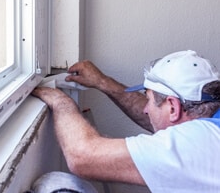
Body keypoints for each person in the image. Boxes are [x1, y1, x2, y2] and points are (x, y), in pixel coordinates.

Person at [32, 50, 220, 192]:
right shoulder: (210, 123)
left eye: (148, 99)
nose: (145, 109)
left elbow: (83, 157)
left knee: (54, 185)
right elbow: (161, 119)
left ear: (173, 107)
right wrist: (102, 82)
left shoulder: (198, 144)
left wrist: (61, 102)